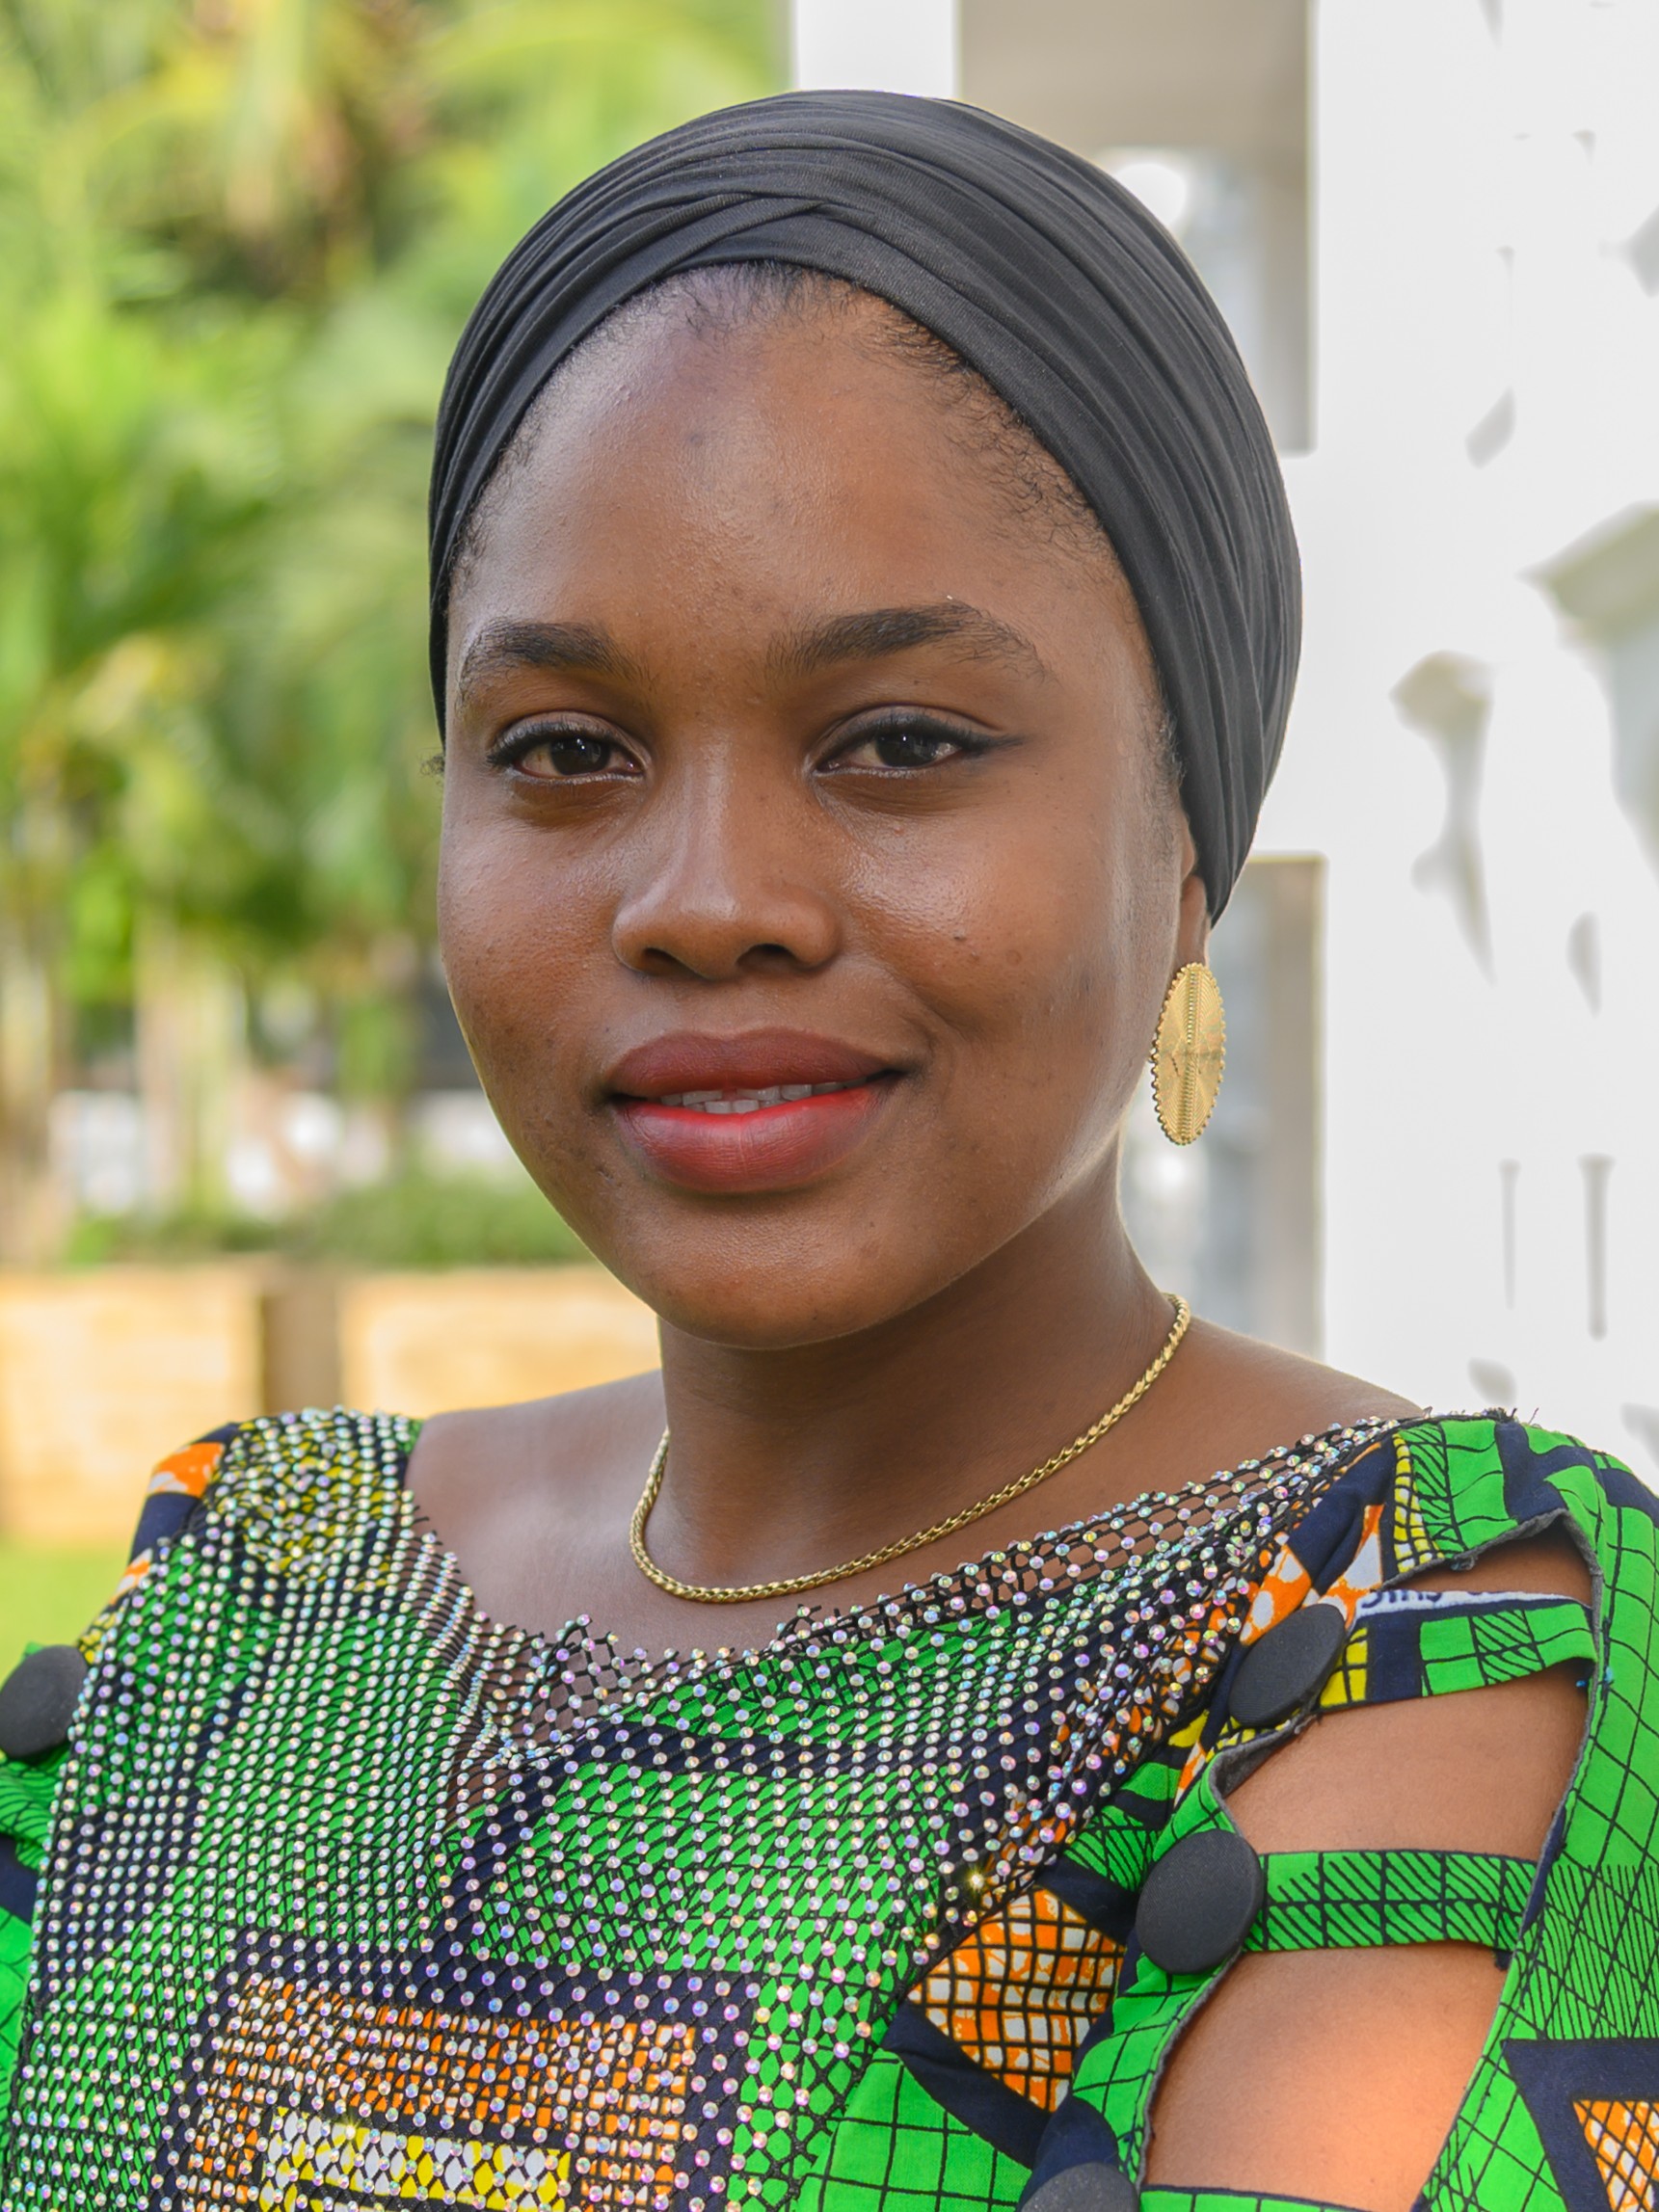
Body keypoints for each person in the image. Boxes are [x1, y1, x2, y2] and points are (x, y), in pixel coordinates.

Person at [0, 91, 1652, 2212]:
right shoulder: (253, 1591)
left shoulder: (1409, 1631)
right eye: (563, 750)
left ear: (1186, 838)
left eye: (899, 743)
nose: (707, 899)